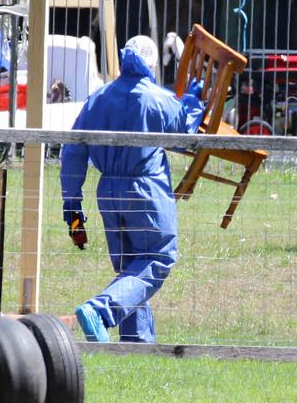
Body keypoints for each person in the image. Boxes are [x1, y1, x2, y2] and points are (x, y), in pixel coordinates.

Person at [60, 35, 204, 343]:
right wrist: (191, 106)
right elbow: (185, 137)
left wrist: (72, 205)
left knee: (130, 269)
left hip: (109, 192)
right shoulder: (158, 98)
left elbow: (73, 151)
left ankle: (136, 346)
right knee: (158, 257)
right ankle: (101, 310)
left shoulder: (98, 98)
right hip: (145, 188)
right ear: (152, 64)